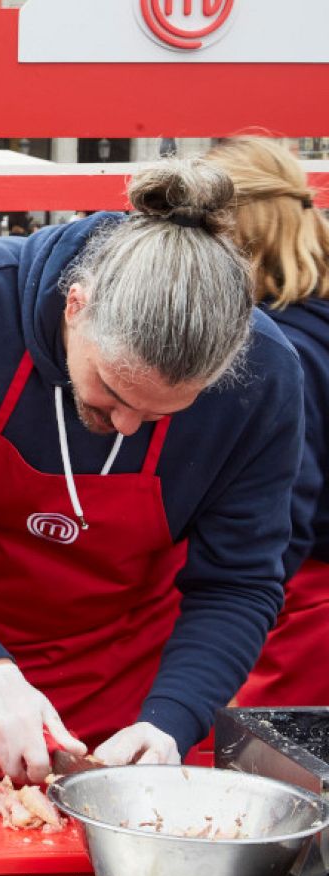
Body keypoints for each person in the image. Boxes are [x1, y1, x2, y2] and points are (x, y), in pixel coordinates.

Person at [0, 158, 304, 783]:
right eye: (111, 392)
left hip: (130, 670)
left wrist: (171, 720)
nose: (129, 425)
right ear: (76, 306)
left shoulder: (266, 376)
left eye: (162, 413)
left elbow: (238, 582)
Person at [205, 137, 329, 707]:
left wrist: (230, 630)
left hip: (302, 606)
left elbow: (283, 515)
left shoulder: (278, 352)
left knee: (266, 775)